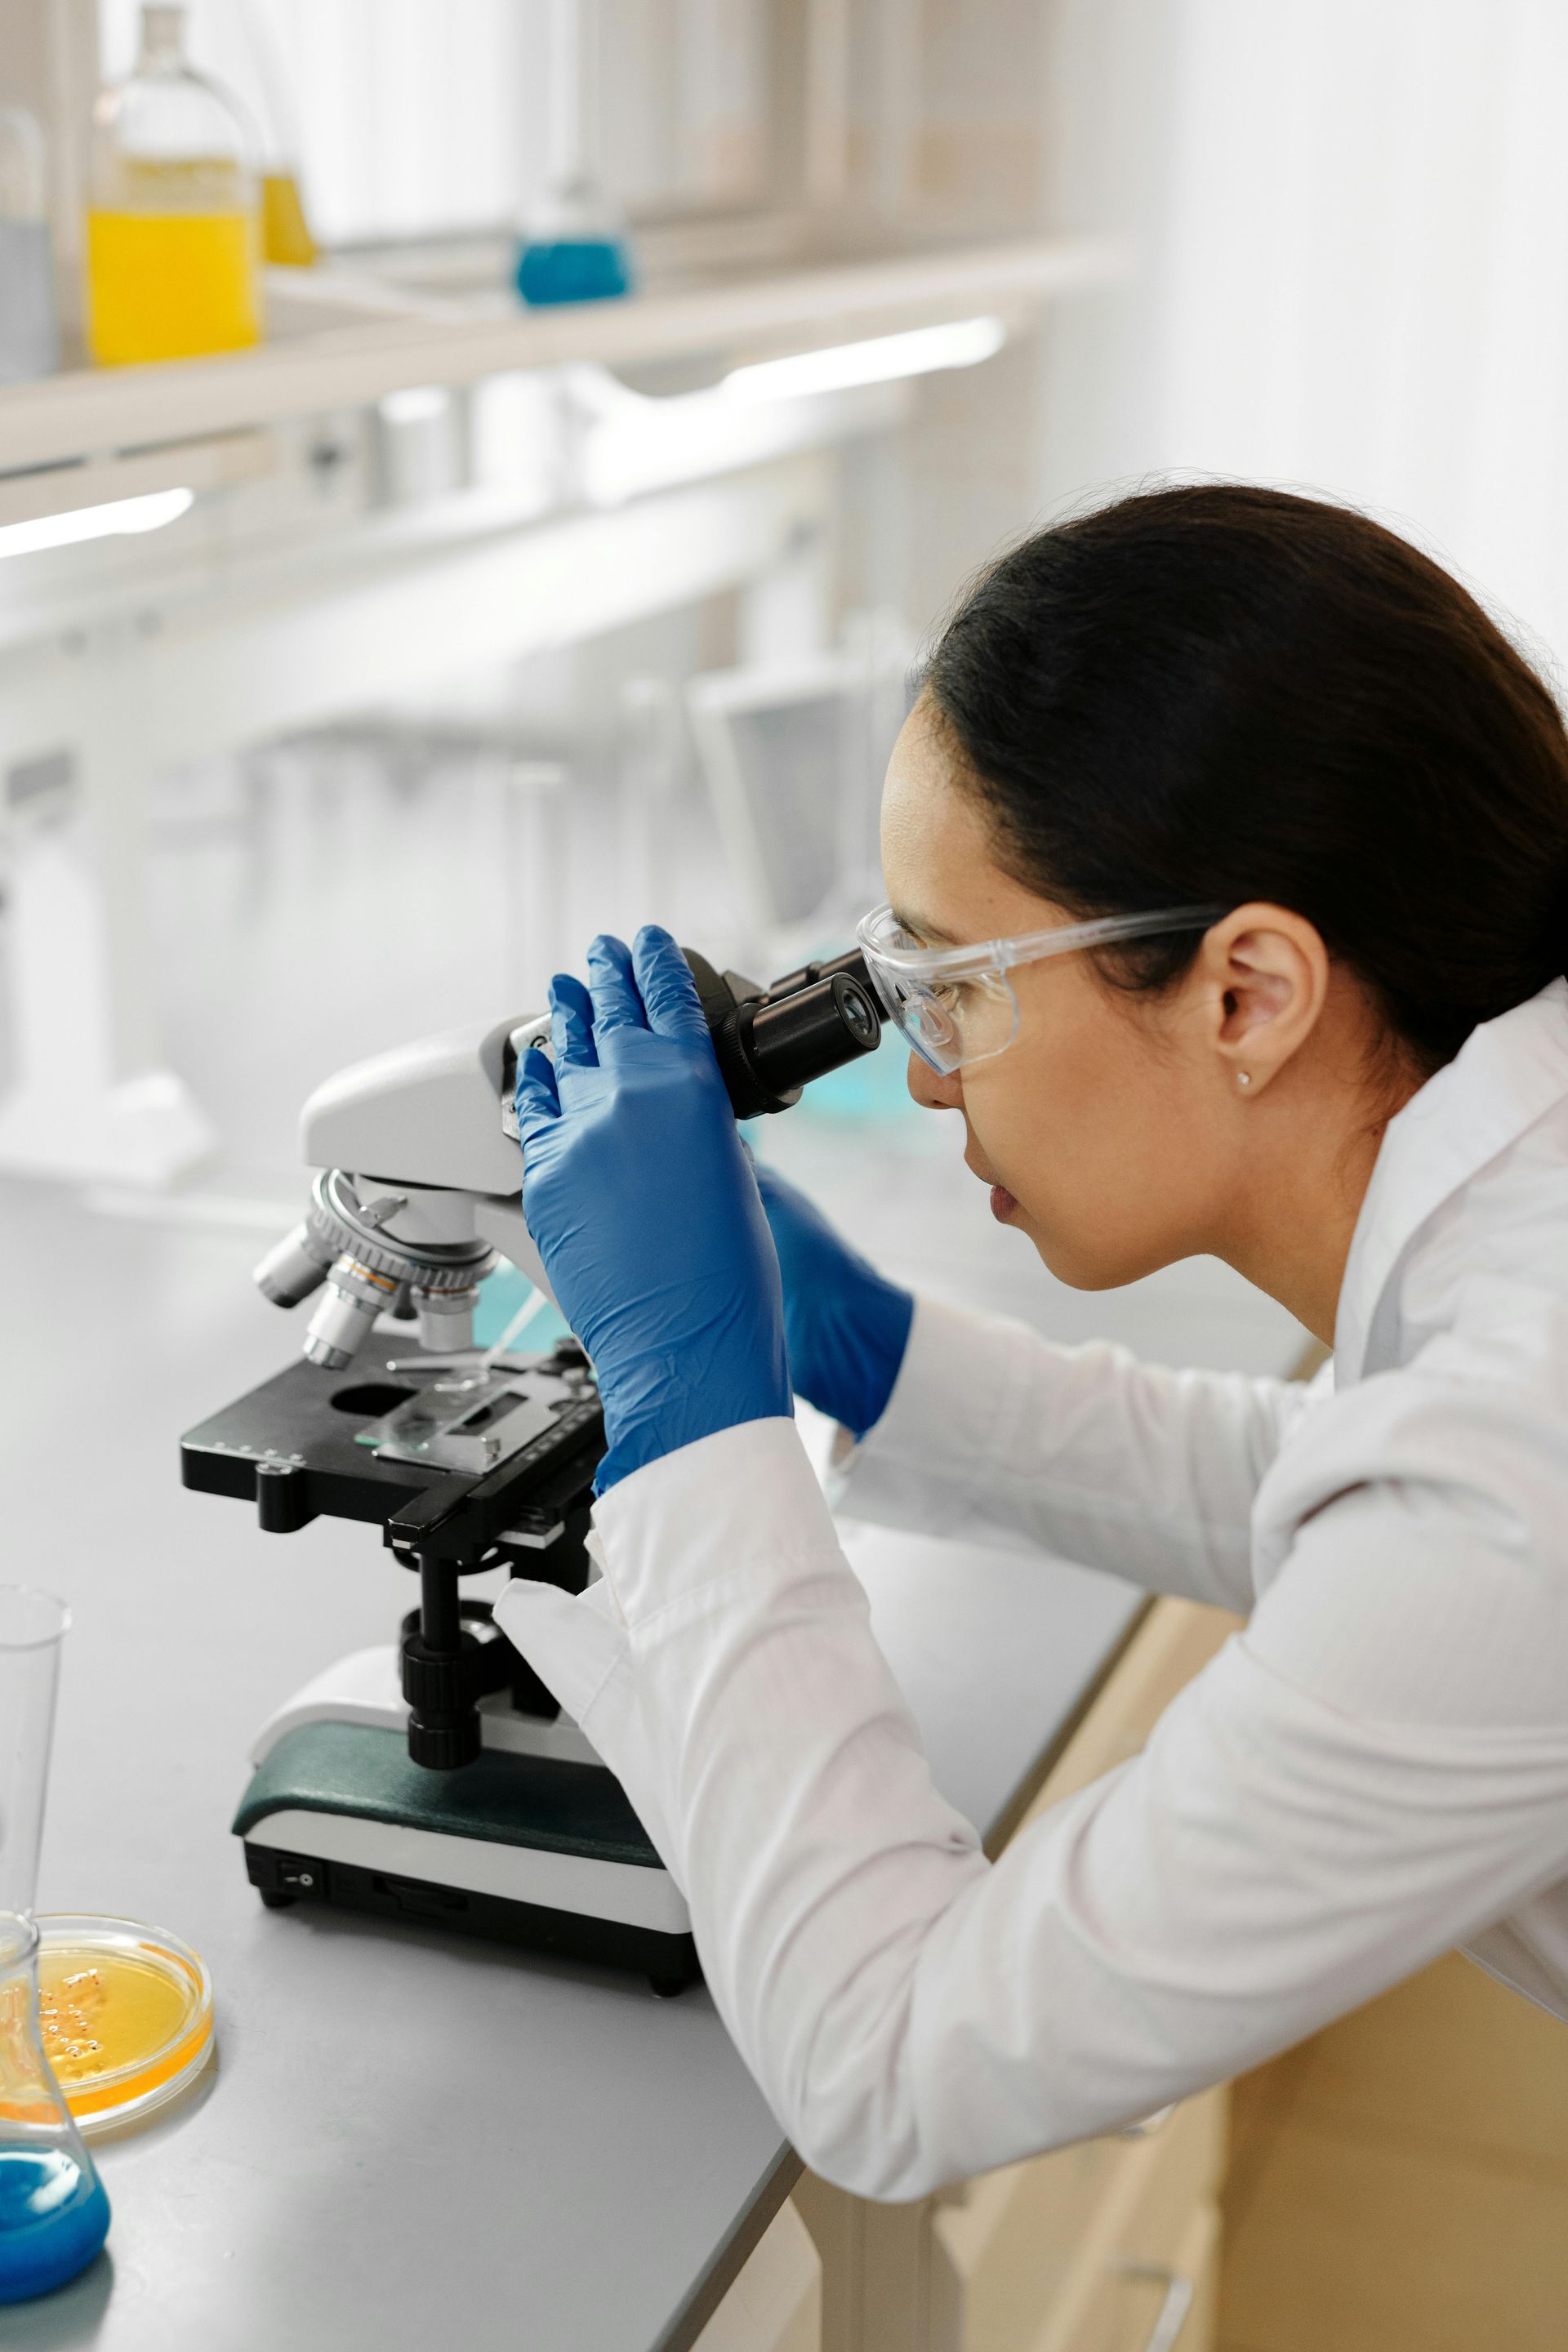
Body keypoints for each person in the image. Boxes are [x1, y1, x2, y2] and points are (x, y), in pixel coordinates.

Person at [494, 483, 1568, 2200]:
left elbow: (891, 2062)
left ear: (1248, 993)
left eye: (956, 989)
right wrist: (867, 1347)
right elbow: (1331, 1499)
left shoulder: (1521, 1459)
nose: (924, 1076)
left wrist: (698, 1416)